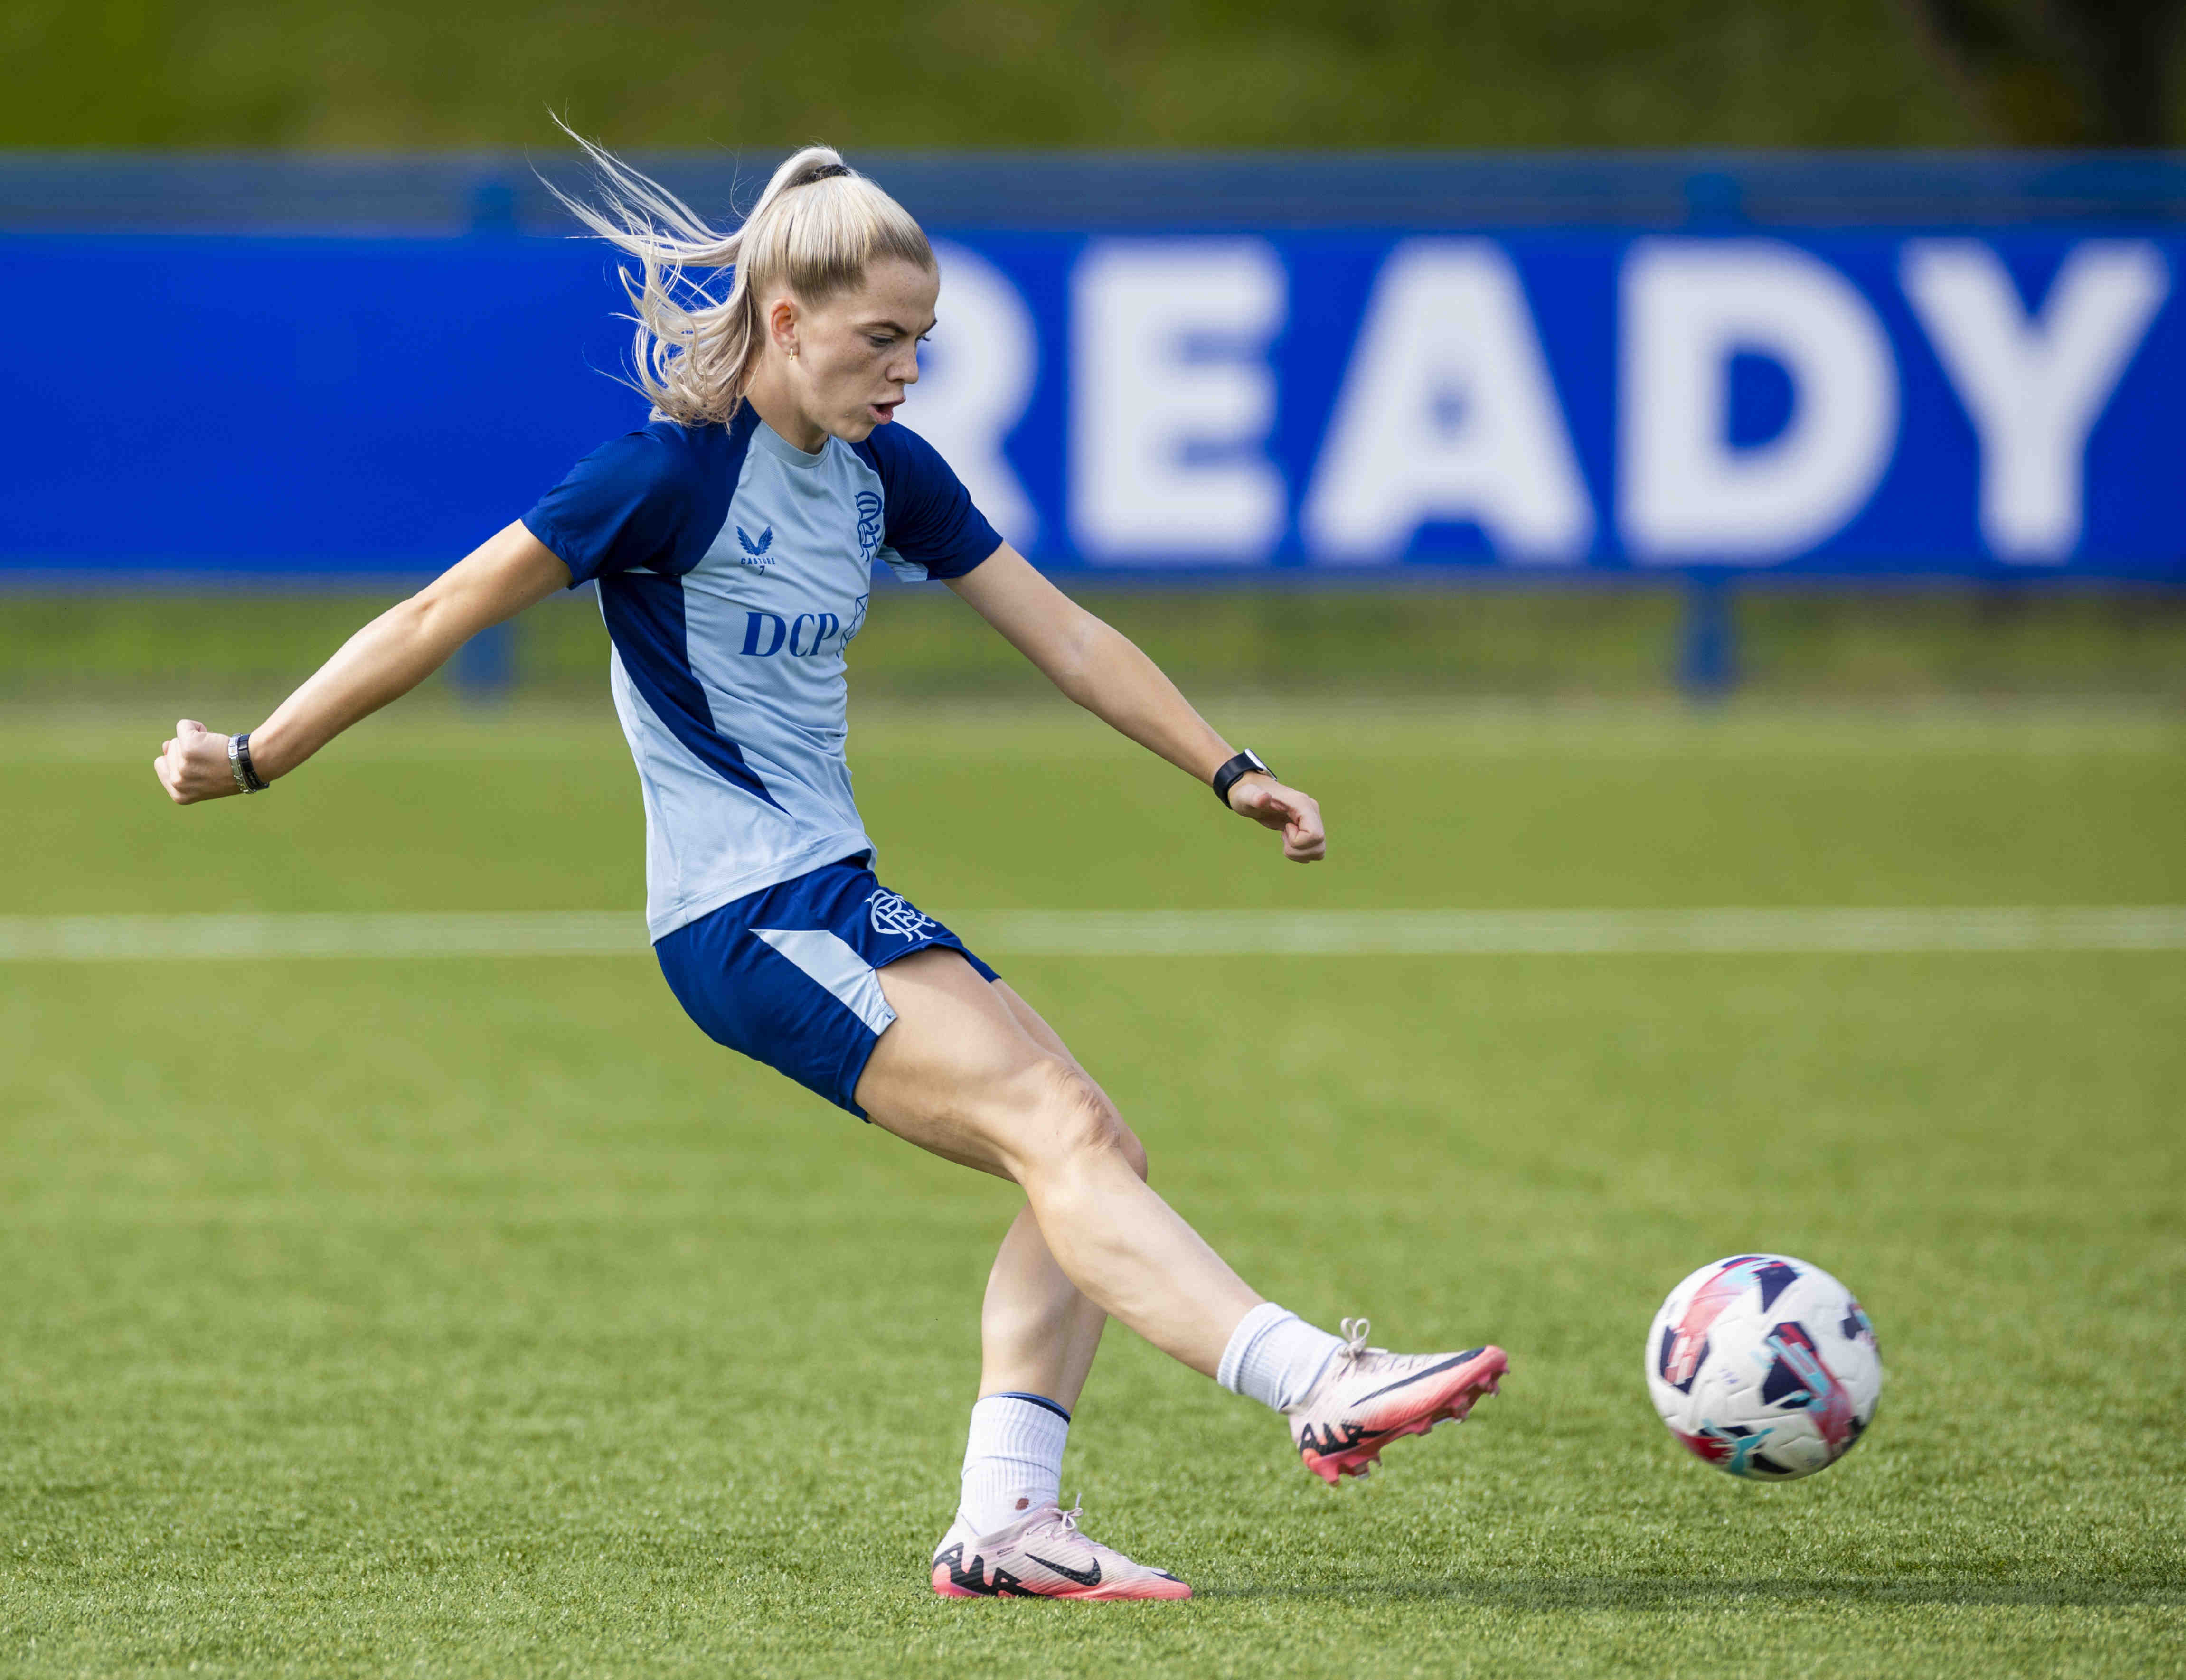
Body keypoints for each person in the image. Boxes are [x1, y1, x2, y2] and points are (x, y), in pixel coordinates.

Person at [153, 139, 1507, 1601]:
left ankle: (1006, 1522)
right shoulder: (664, 478)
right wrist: (257, 751)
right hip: (741, 913)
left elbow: (1066, 636)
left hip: (828, 888)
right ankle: (1317, 1375)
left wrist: (1226, 767)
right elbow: (437, 611)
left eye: (922, 342)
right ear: (787, 322)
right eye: (882, 339)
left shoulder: (880, 477)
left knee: (1087, 1145)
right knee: (1054, 1121)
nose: (906, 370)